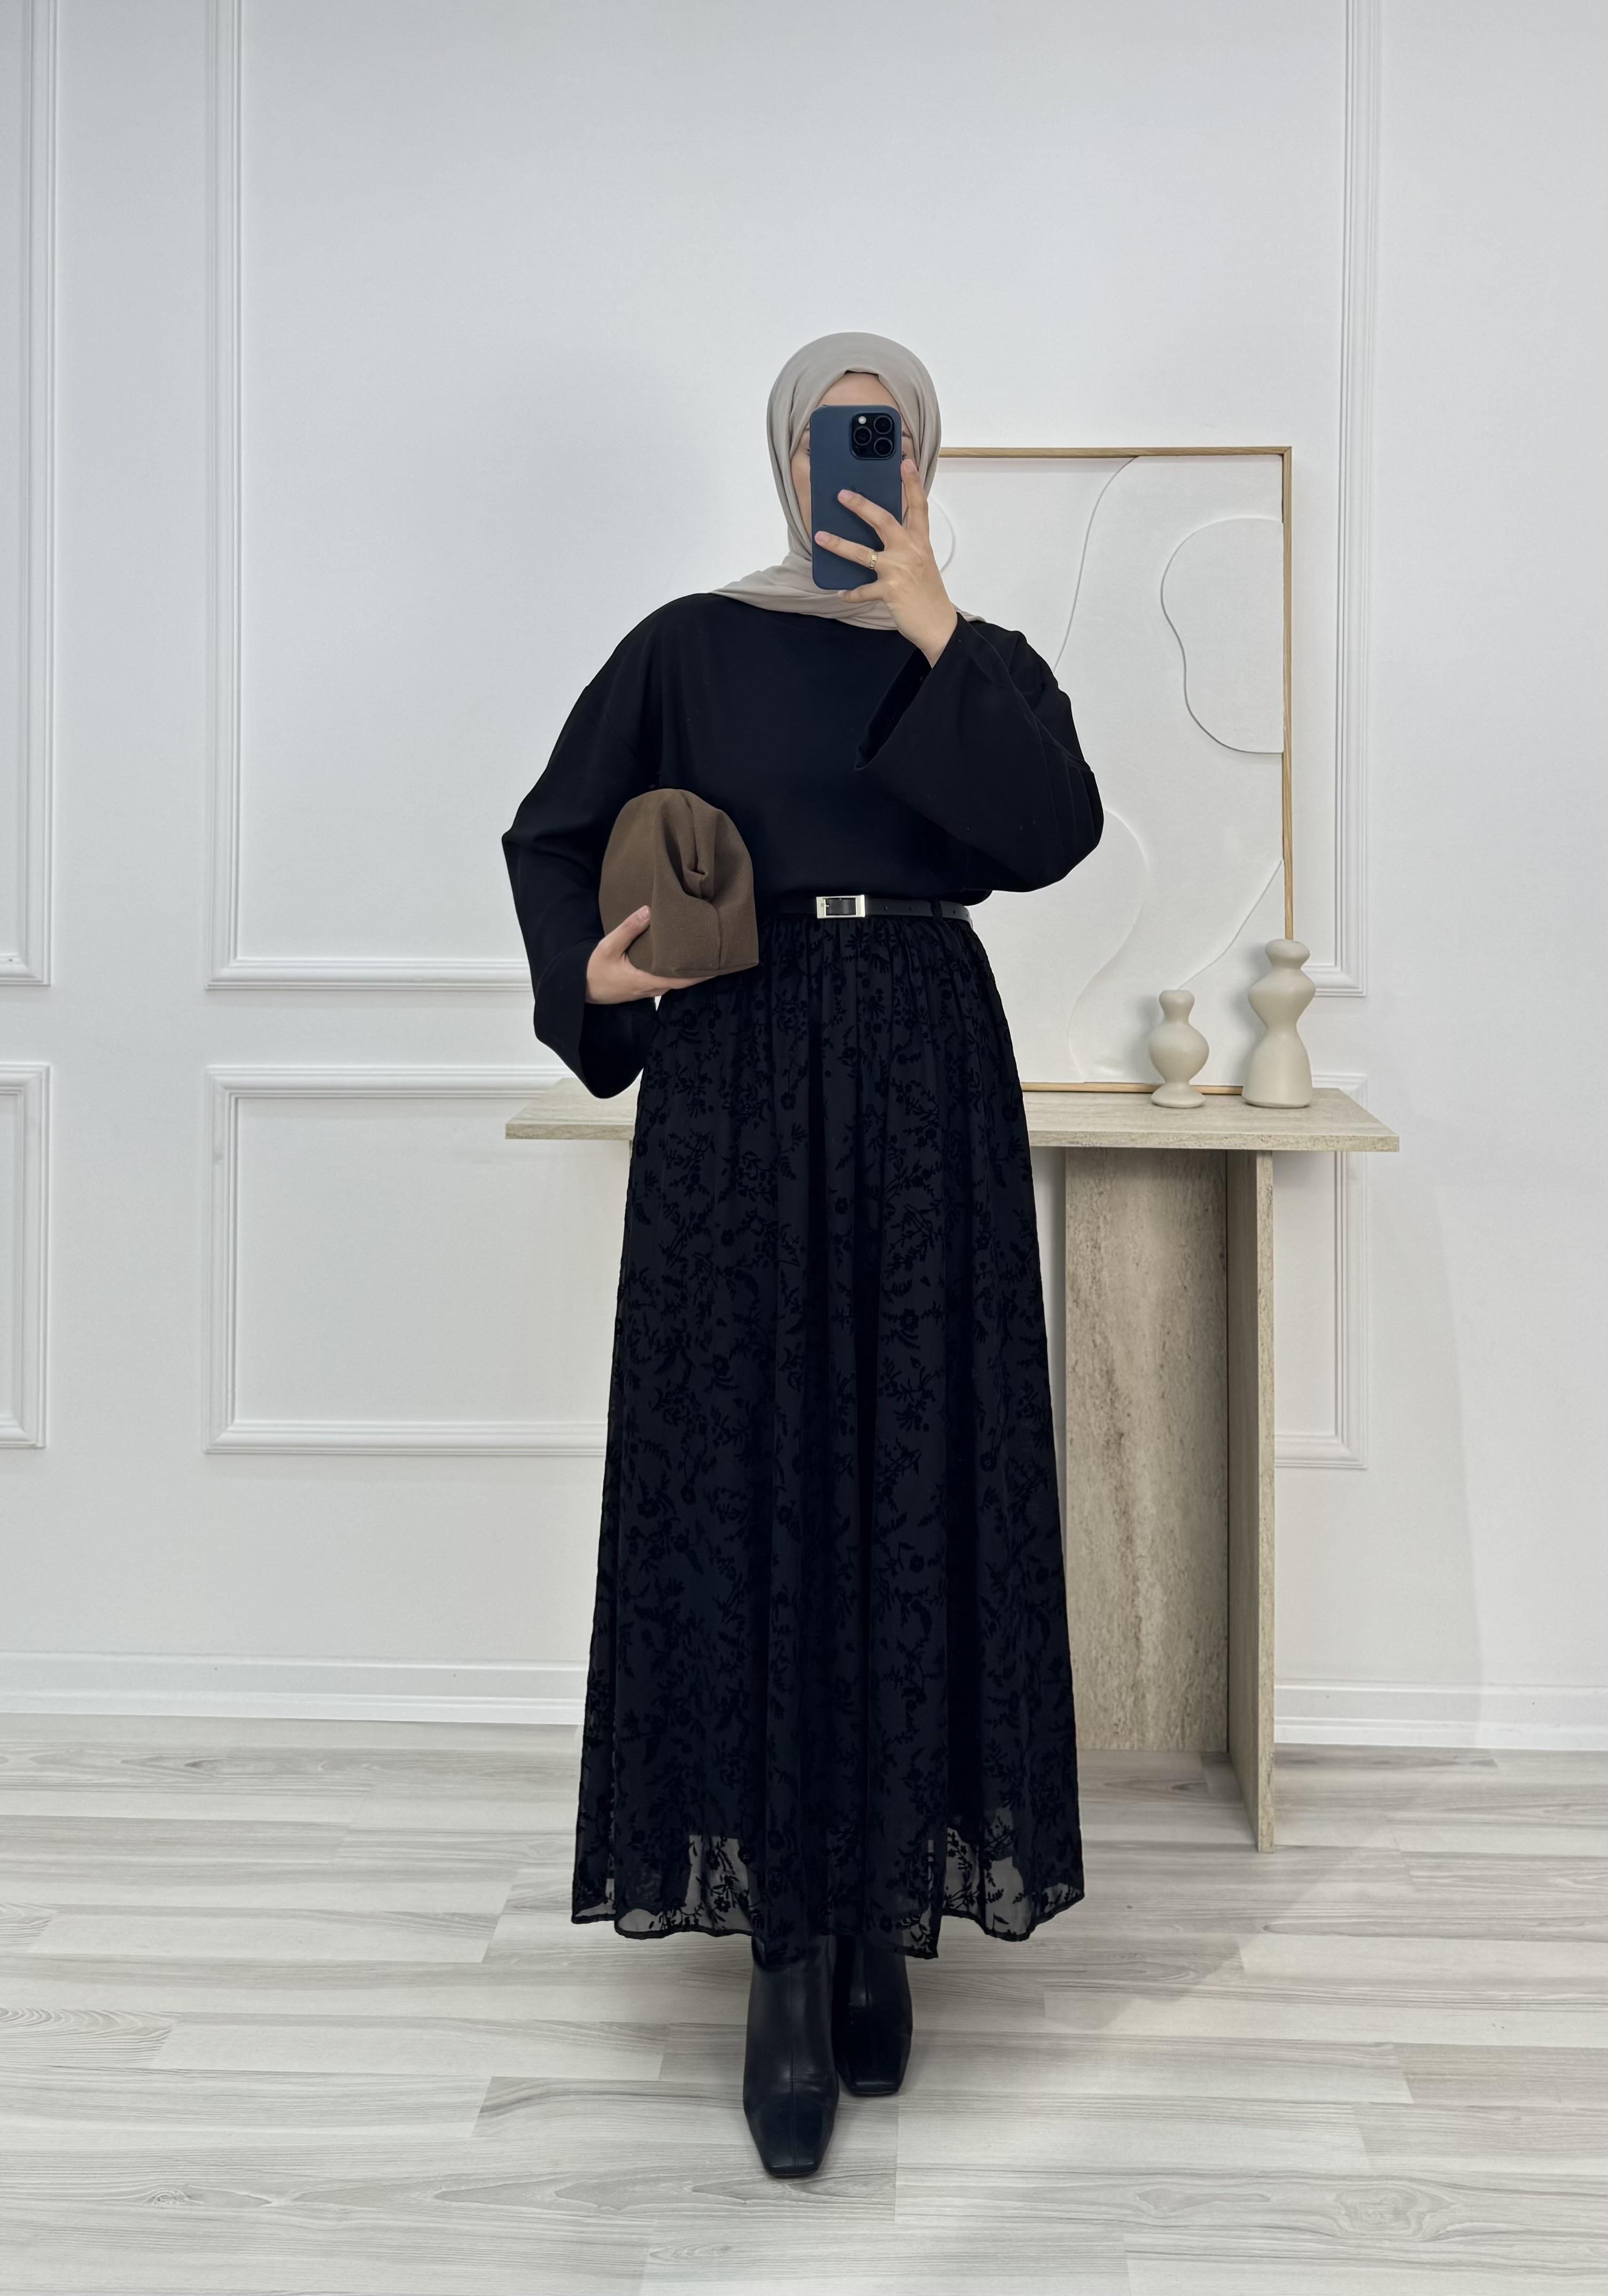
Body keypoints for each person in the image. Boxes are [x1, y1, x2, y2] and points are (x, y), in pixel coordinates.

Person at [501, 330, 1104, 2178]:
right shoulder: (687, 646)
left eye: (887, 437)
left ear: (924, 460)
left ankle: (877, 1923)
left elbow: (1050, 833)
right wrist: (594, 976)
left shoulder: (977, 657)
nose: (855, 464)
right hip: (740, 1072)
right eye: (832, 437)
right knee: (747, 1469)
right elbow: (555, 835)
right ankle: (780, 1953)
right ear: (781, 457)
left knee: (910, 1472)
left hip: (924, 1067)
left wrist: (930, 622)